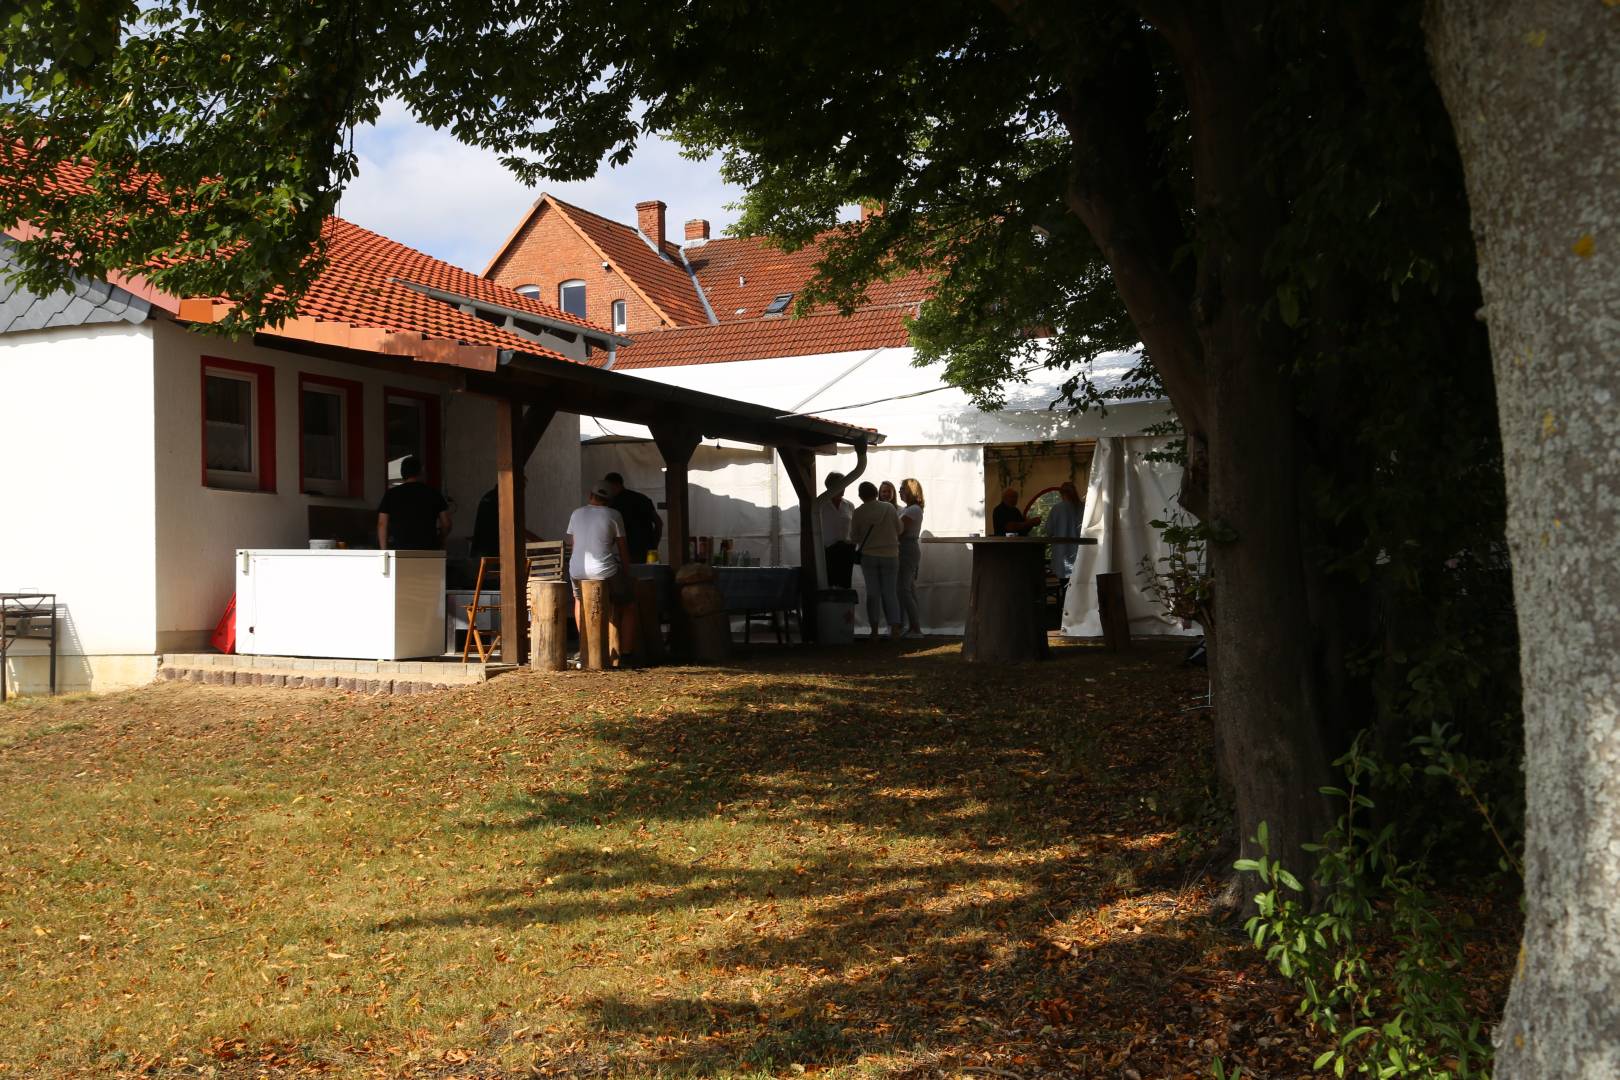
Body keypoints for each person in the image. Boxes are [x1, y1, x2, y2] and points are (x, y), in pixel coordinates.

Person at [566, 485, 639, 663]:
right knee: (629, 606)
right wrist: (628, 574)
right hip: (604, 570)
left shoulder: (576, 513)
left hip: (576, 569)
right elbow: (623, 548)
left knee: (579, 600)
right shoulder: (614, 514)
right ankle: (627, 654)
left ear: (591, 495)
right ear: (610, 501)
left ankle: (585, 645)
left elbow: (574, 544)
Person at [850, 480, 902, 639]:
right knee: (890, 593)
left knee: (873, 593)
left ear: (860, 496)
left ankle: (874, 631)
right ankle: (895, 629)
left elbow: (854, 537)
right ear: (875, 492)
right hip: (890, 555)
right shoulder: (889, 507)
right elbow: (899, 529)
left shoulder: (858, 512)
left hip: (869, 557)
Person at [377, 455, 450, 550]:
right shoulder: (433, 493)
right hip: (429, 550)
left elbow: (382, 524)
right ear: (420, 472)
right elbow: (446, 524)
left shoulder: (391, 494)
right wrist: (440, 540)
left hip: (400, 551)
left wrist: (384, 552)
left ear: (402, 473)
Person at [603, 471, 663, 564]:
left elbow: (613, 532)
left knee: (635, 576)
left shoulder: (615, 504)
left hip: (631, 552)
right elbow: (659, 523)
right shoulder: (642, 498)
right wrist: (655, 544)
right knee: (652, 575)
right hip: (651, 551)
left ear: (615, 485)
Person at [897, 478, 926, 638]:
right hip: (906, 548)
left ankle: (915, 628)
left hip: (907, 549)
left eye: (902, 489)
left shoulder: (913, 510)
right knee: (909, 589)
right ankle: (914, 626)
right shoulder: (907, 509)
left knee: (904, 590)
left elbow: (899, 531)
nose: (900, 492)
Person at [1046, 481, 1083, 587]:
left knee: (1065, 586)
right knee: (1079, 586)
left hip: (1062, 554)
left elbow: (1049, 530)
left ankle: (1065, 604)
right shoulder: (1082, 508)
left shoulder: (1057, 509)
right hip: (1080, 553)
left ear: (1061, 494)